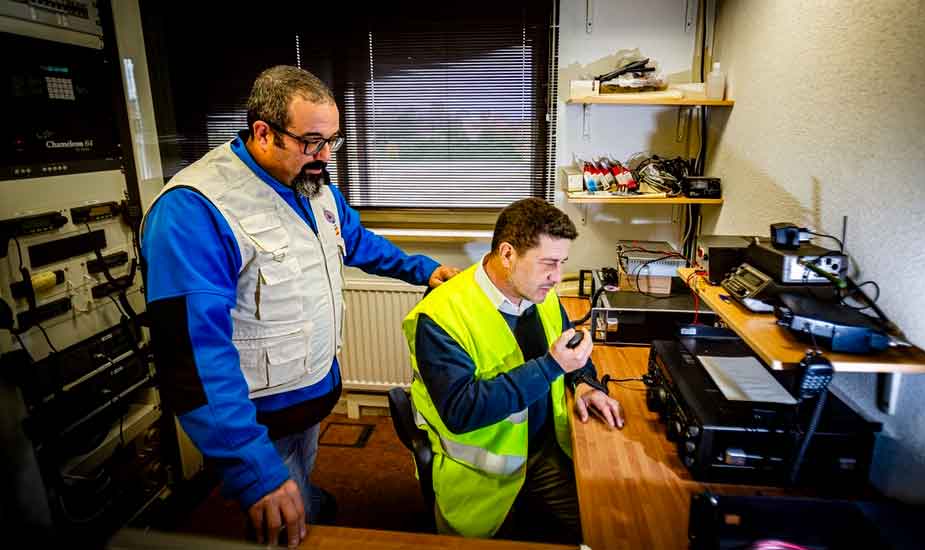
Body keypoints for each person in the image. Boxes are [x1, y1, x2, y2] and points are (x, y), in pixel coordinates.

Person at [140, 65, 458, 548]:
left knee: (299, 477)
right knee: (283, 522)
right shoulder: (194, 210)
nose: (326, 156)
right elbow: (194, 356)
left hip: (308, 395)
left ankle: (302, 493)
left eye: (333, 140)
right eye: (312, 141)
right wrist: (253, 472)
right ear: (263, 132)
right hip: (258, 417)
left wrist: (421, 269)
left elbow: (352, 239)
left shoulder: (310, 181)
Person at [402, 198, 625, 542]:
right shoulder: (441, 316)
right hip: (481, 475)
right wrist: (551, 366)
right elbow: (461, 411)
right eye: (548, 263)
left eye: (562, 263)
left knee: (609, 532)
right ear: (507, 255)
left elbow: (569, 351)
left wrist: (584, 383)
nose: (556, 277)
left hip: (544, 451)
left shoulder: (541, 291)